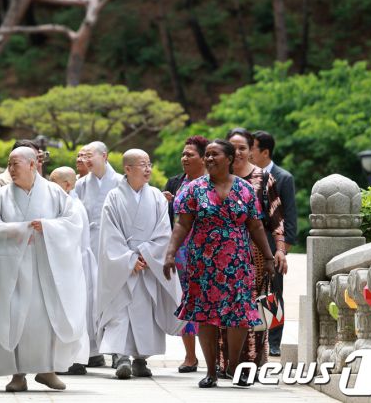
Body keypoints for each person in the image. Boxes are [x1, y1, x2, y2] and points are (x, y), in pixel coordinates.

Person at [163, 139, 277, 388]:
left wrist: (269, 258)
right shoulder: (194, 189)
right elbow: (182, 224)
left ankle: (233, 367)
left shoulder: (245, 189)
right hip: (203, 262)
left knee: (238, 315)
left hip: (237, 261)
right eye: (207, 155)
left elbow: (256, 225)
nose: (209, 159)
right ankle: (211, 371)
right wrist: (170, 253)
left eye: (215, 155)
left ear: (229, 159)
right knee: (205, 314)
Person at [0, 147, 88, 392]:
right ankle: (17, 375)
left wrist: (47, 228)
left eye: (14, 164)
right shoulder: (0, 197)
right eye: (8, 164)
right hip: (12, 270)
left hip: (46, 269)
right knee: (15, 316)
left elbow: (73, 223)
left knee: (44, 318)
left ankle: (46, 370)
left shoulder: (54, 193)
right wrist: (20, 231)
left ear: (32, 165)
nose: (10, 169)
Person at [97, 149, 183, 379]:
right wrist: (129, 259)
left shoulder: (155, 196)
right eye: (142, 164)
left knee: (146, 309)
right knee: (121, 309)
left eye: (149, 164)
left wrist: (146, 255)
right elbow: (109, 234)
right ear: (128, 169)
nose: (148, 169)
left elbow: (164, 231)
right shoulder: (113, 197)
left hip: (148, 264)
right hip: (124, 264)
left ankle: (140, 360)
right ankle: (122, 357)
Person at [220, 128, 288, 373]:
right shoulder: (217, 177)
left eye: (242, 148)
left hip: (255, 257)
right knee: (224, 310)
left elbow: (276, 220)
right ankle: (225, 363)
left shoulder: (263, 179)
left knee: (252, 309)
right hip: (221, 258)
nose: (237, 153)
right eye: (232, 148)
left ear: (251, 150)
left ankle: (252, 362)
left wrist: (279, 251)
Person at [72, 140, 121, 367]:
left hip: (113, 245)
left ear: (105, 156)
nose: (85, 160)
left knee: (114, 296)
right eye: (84, 156)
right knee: (87, 297)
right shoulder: (81, 184)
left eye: (90, 155)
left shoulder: (121, 182)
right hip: (88, 245)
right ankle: (92, 351)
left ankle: (118, 350)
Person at [162, 135, 209, 373]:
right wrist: (163, 202)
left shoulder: (213, 183)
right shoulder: (175, 182)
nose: (184, 158)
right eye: (183, 154)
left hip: (207, 251)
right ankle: (190, 356)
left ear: (203, 158)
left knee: (209, 301)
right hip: (180, 253)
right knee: (186, 301)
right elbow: (166, 220)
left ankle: (214, 355)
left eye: (189, 154)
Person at [251, 130, 297, 357]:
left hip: (273, 244)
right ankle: (255, 337)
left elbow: (289, 215)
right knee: (255, 294)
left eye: (252, 148)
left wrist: (282, 250)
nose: (248, 153)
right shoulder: (244, 176)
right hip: (251, 244)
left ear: (265, 152)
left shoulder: (283, 177)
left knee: (274, 294)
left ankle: (275, 341)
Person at [49, 166, 96, 376]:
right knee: (63, 312)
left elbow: (68, 236)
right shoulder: (63, 204)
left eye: (54, 181)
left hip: (73, 264)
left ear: (68, 185)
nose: (50, 186)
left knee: (73, 313)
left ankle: (75, 359)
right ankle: (63, 358)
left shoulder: (73, 207)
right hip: (65, 263)